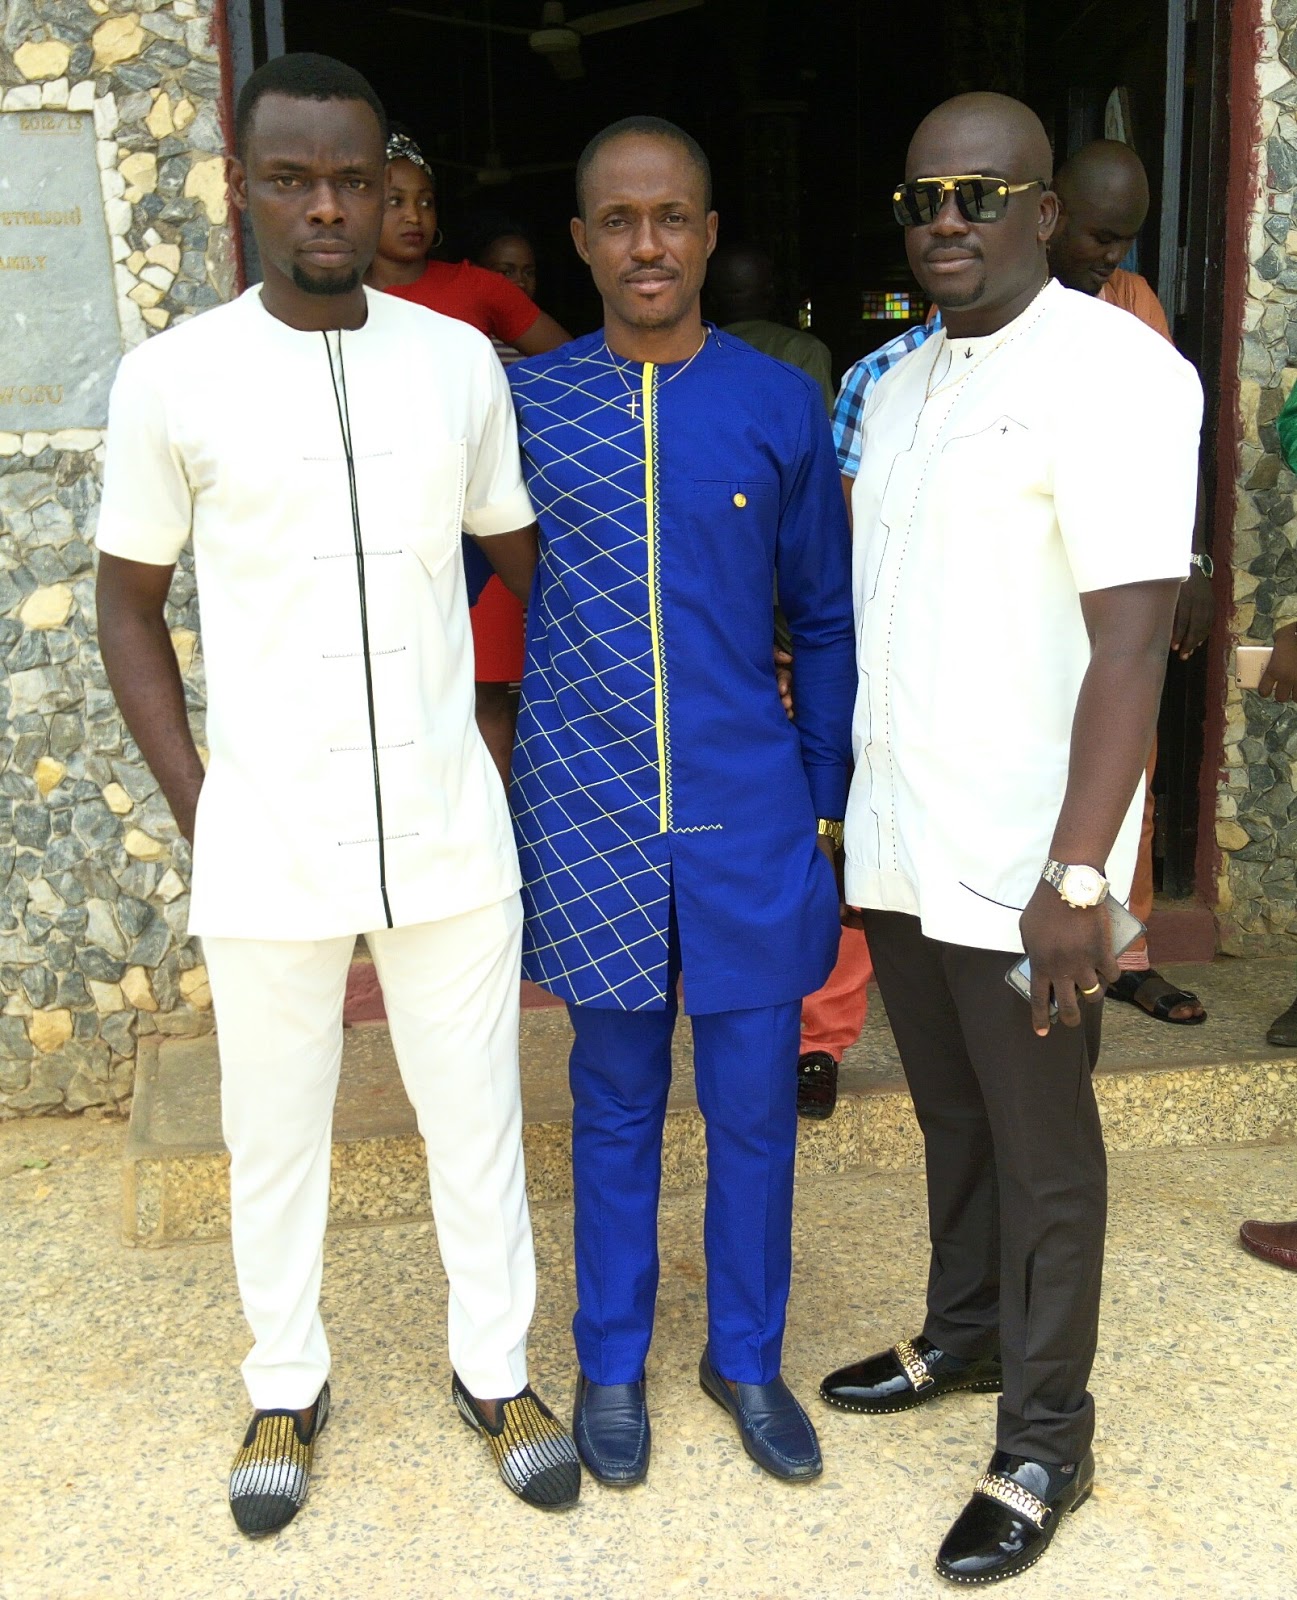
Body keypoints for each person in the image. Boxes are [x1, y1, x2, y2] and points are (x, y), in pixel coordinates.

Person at [94, 53, 580, 1537]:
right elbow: (126, 605)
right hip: (269, 836)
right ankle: (284, 1383)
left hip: (446, 824)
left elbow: (527, 564)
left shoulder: (455, 364)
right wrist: (204, 804)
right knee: (274, 1128)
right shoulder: (173, 377)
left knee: (477, 1116)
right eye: (294, 179)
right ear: (242, 188)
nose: (326, 206)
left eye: (352, 181)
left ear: (386, 193)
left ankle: (496, 1373)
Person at [820, 94, 1202, 1585]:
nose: (946, 220)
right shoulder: (903, 381)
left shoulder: (1117, 373)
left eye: (981, 195)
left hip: (1026, 855)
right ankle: (966, 1334)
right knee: (953, 1116)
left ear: (1044, 212)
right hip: (904, 836)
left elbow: (1131, 644)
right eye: (923, 196)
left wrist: (1079, 875)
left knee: (1045, 1153)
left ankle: (1048, 1439)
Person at [507, 116, 855, 1488]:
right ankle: (609, 1362)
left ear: (708, 236)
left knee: (757, 1104)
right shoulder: (530, 406)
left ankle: (746, 1359)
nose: (645, 244)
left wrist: (820, 801)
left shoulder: (776, 404)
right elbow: (459, 584)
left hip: (750, 813)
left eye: (670, 218)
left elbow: (822, 616)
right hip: (589, 809)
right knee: (611, 1102)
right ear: (582, 241)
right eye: (617, 219)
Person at [1050, 139, 1214, 1026]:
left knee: (1128, 766)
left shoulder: (1130, 300)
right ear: (1049, 213)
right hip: (1027, 582)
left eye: (1123, 241)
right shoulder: (982, 298)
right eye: (1098, 235)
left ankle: (1124, 952)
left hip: (1116, 577)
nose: (1108, 256)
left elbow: (1173, 433)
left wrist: (1192, 560)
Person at [366, 131, 572, 789]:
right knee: (395, 689)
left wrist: (507, 415)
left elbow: (571, 369)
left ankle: (498, 833)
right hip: (381, 525)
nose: (413, 215)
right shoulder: (336, 297)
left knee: (488, 692)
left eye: (425, 201)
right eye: (395, 200)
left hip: (481, 525)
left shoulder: (477, 287)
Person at [705, 242, 834, 410]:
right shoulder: (805, 350)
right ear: (771, 292)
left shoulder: (691, 352)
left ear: (711, 299)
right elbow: (820, 421)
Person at [469, 214, 543, 366]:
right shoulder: (469, 333)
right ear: (477, 273)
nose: (521, 282)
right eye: (506, 272)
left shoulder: (542, 336)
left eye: (529, 272)